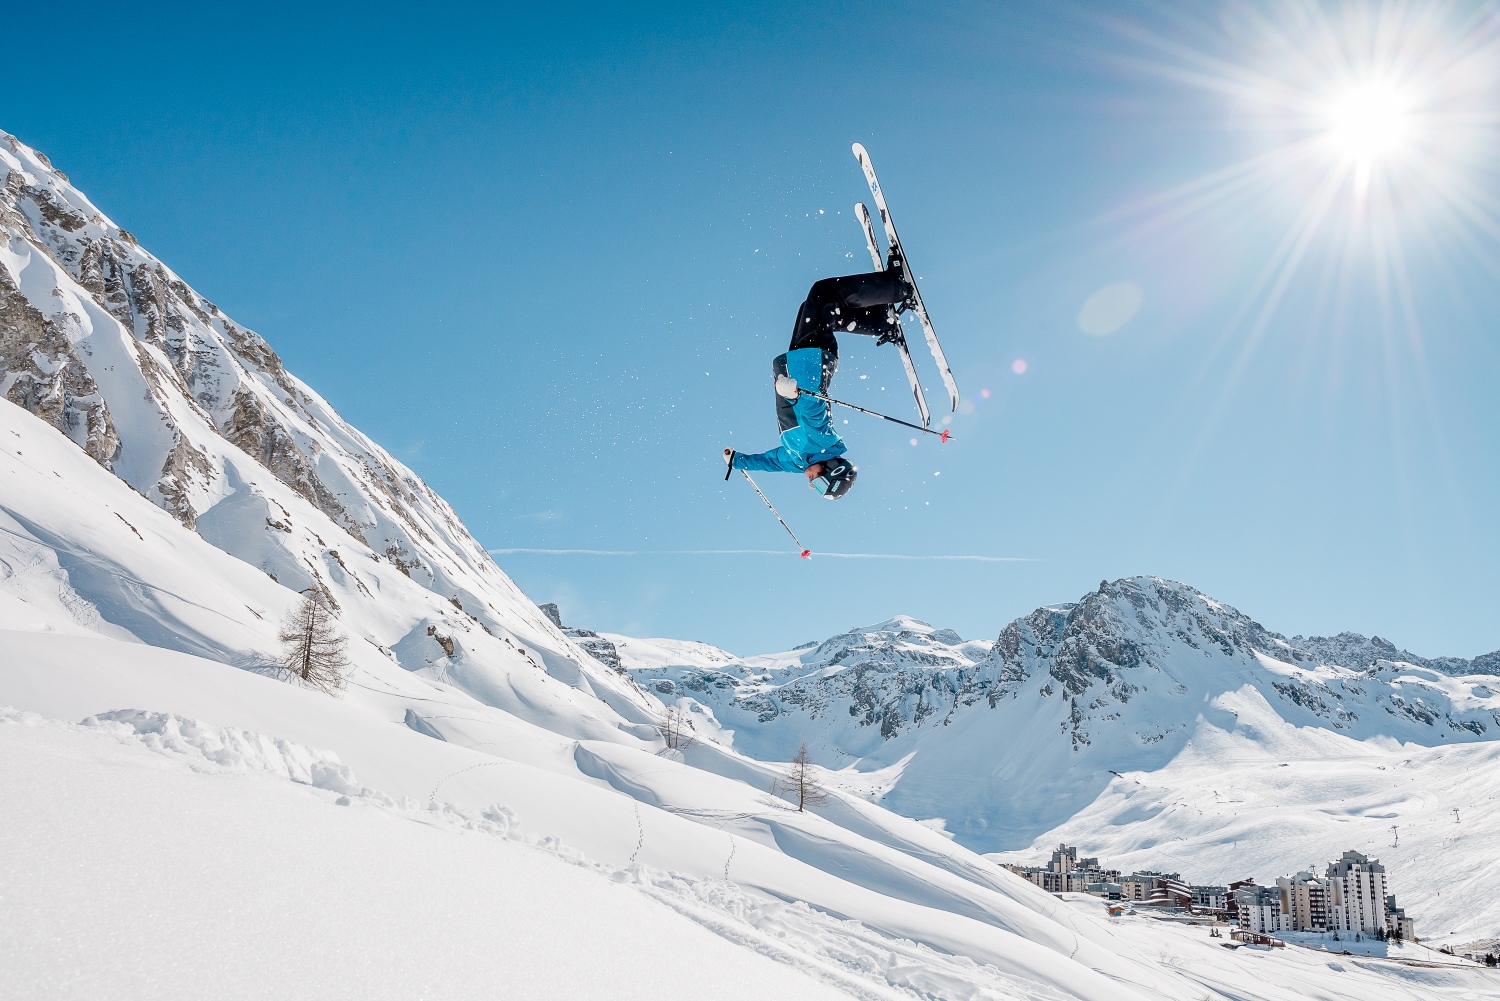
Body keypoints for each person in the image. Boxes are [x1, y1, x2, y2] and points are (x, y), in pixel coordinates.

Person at [724, 252, 914, 499]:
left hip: (796, 362)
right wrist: (794, 395)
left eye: (818, 489)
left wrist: (737, 461)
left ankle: (882, 321)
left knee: (815, 307)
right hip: (812, 362)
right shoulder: (821, 443)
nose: (812, 483)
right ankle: (897, 286)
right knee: (823, 294)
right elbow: (814, 409)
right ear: (832, 469)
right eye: (822, 483)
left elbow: (770, 462)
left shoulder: (796, 461)